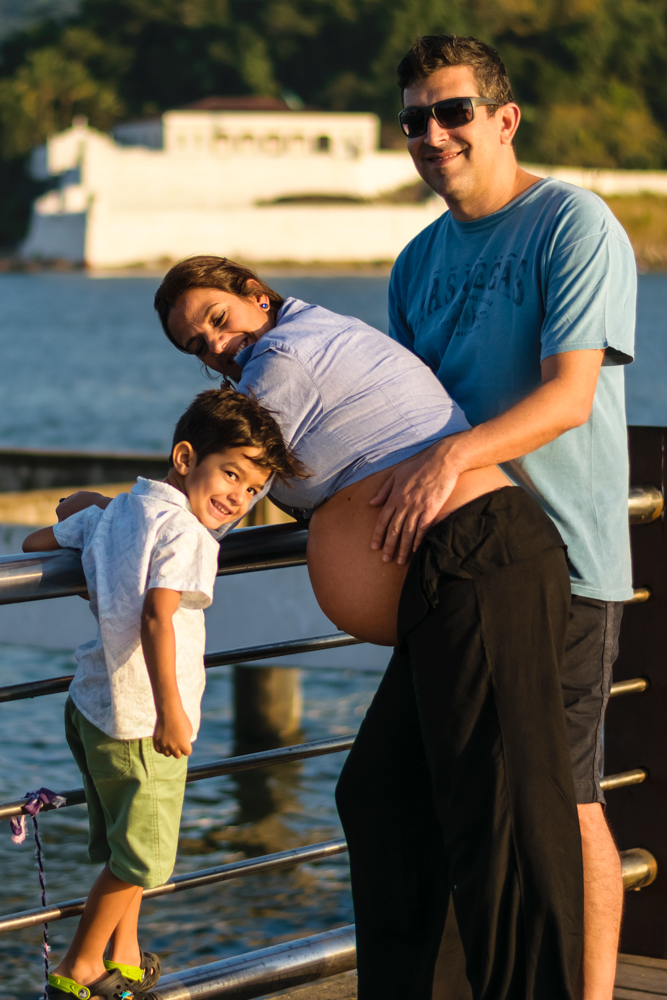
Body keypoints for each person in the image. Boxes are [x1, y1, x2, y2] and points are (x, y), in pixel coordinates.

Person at [147, 254, 584, 999]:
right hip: (447, 584)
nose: (213, 347)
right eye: (195, 345)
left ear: (258, 298)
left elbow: (214, 487)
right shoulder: (288, 354)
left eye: (217, 321)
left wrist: (115, 515)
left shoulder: (283, 358)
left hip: (478, 558)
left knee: (503, 815)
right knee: (384, 797)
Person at [372, 33, 636, 1000]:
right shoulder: (414, 263)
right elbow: (391, 420)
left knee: (563, 803)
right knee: (416, 796)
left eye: (452, 112)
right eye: (414, 119)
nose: (433, 134)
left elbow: (568, 398)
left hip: (563, 566)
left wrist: (450, 454)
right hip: (454, 575)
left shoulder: (573, 223)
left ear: (502, 119)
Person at [23, 389, 303, 1000]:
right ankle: (76, 971)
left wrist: (92, 526)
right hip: (143, 718)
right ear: (185, 457)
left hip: (92, 705)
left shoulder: (124, 510)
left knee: (124, 845)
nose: (237, 497)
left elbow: (36, 546)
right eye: (231, 474)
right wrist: (173, 710)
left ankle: (123, 956)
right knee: (144, 860)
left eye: (253, 490)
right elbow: (157, 615)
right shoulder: (192, 537)